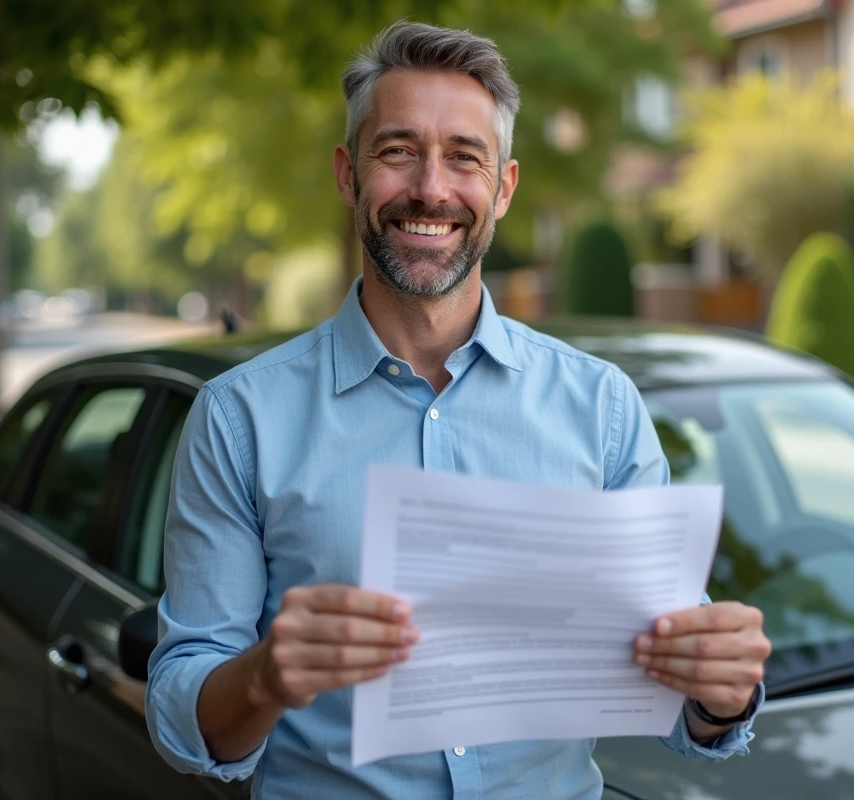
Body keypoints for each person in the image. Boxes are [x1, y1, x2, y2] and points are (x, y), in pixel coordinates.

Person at [146, 20, 771, 800]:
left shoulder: (602, 407)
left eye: (464, 157)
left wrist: (722, 693)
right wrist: (266, 676)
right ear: (348, 174)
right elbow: (184, 721)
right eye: (397, 150)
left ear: (503, 188)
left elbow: (681, 698)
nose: (432, 189)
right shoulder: (238, 419)